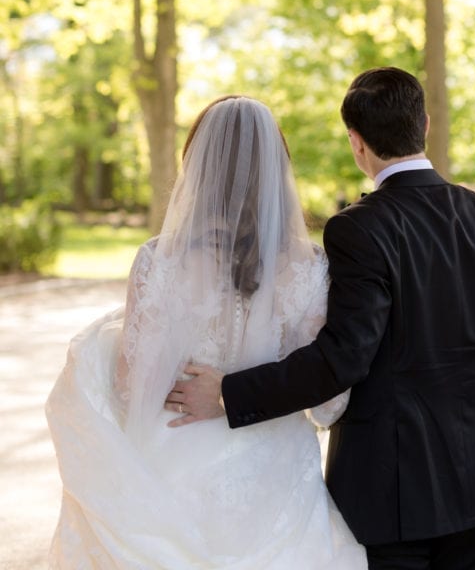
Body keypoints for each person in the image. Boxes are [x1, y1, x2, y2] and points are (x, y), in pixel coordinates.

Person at [168, 68, 475, 570]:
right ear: (426, 125)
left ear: (356, 142)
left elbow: (341, 360)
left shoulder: (358, 229)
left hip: (390, 488)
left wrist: (228, 392)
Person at [46, 95, 367, 570]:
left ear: (196, 166)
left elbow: (131, 389)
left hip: (175, 458)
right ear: (277, 171)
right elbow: (328, 402)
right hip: (275, 480)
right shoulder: (311, 267)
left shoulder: (158, 260)